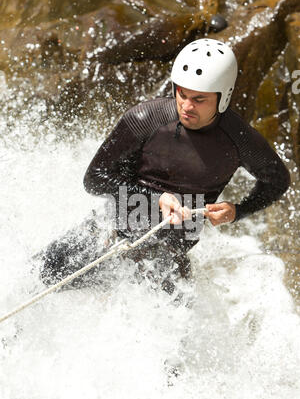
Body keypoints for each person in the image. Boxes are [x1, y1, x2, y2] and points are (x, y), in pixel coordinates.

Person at [40, 38, 290, 294]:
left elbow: (278, 181)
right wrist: (156, 198)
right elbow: (94, 178)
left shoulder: (239, 140)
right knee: (38, 274)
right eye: (182, 93)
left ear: (223, 97)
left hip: (166, 262)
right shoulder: (145, 120)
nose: (187, 106)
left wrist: (238, 211)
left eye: (200, 99)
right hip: (112, 235)